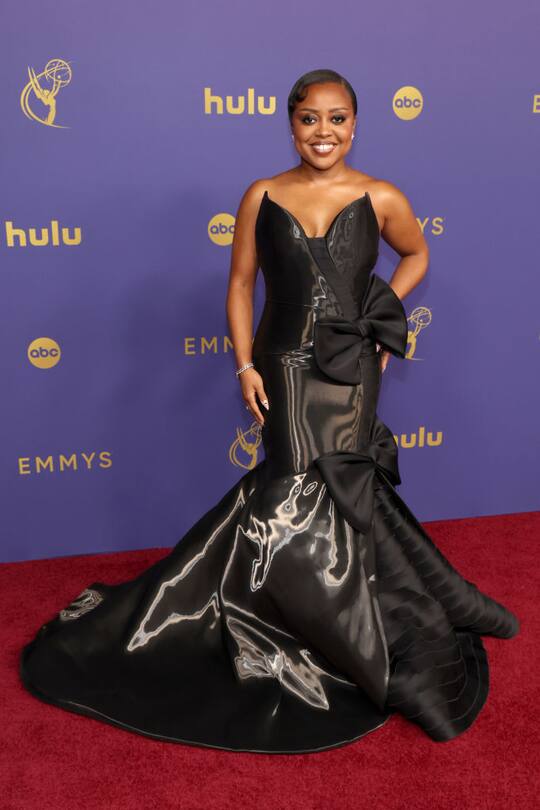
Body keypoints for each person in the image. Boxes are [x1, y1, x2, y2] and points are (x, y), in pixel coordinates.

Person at [19, 68, 520, 754]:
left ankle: (372, 616)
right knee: (287, 490)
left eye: (337, 118)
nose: (324, 132)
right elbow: (240, 284)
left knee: (349, 487)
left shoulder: (382, 196)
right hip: (284, 364)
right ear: (291, 125)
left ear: (356, 124)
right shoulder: (262, 194)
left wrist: (382, 317)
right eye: (310, 118)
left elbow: (417, 252)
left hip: (351, 372)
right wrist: (245, 363)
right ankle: (292, 619)